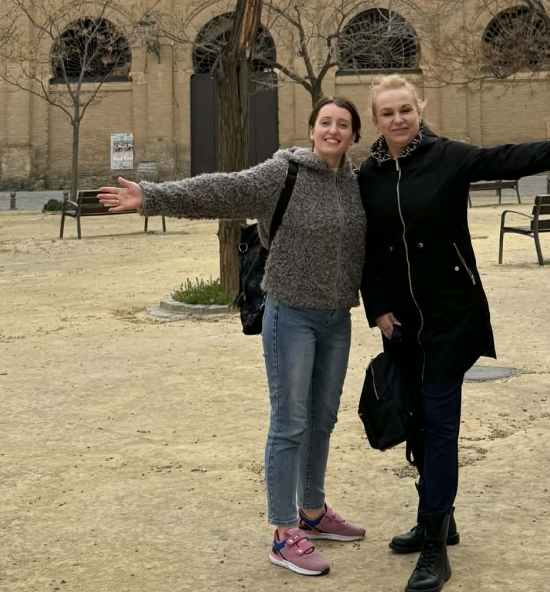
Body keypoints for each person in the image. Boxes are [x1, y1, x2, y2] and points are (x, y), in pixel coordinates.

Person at [359, 74, 550, 592]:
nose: (398, 119)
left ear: (419, 109)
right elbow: (366, 247)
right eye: (388, 112)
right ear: (376, 120)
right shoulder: (368, 174)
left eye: (405, 109)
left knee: (439, 425)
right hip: (401, 324)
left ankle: (434, 547)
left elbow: (508, 159)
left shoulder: (447, 157)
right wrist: (378, 308)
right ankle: (439, 518)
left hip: (451, 317)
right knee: (415, 422)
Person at [98, 96, 368, 578]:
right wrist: (151, 197)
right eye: (325, 122)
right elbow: (221, 190)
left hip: (337, 319)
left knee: (323, 419)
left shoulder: (354, 182)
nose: (333, 130)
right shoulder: (283, 173)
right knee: (290, 422)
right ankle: (284, 532)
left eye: (343, 124)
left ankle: (312, 510)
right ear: (311, 129)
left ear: (353, 135)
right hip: (291, 314)